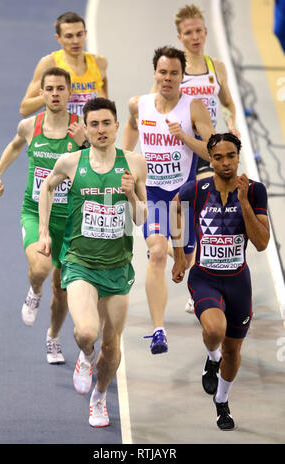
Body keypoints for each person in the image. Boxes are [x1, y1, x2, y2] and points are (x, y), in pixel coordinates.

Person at [38, 97, 147, 427]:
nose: (101, 129)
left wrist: (131, 194)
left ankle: (99, 398)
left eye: (106, 123)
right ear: (85, 128)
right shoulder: (71, 162)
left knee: (111, 347)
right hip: (80, 263)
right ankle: (85, 357)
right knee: (87, 333)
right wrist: (43, 231)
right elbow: (46, 186)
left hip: (117, 269)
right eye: (94, 124)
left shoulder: (134, 164)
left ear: (117, 126)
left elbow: (142, 218)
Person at [171, 133, 270, 430]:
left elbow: (262, 242)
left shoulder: (254, 191)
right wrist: (180, 255)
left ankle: (221, 401)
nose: (225, 163)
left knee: (233, 351)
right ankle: (211, 357)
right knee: (215, 330)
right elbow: (175, 208)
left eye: (231, 156)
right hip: (205, 278)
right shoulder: (198, 189)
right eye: (218, 157)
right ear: (210, 159)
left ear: (238, 157)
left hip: (239, 281)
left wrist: (243, 203)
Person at [123, 45, 215, 355]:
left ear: (181, 76)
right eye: (163, 72)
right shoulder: (140, 104)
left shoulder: (194, 108)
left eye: (174, 73)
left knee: (183, 261)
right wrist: (123, 162)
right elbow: (131, 132)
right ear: (155, 73)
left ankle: (185, 260)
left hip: (184, 197)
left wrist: (185, 137)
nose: (168, 78)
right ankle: (158, 330)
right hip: (155, 195)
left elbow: (213, 154)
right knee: (158, 253)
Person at [0, 67, 86, 364]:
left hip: (70, 222)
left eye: (61, 88)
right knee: (41, 270)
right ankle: (33, 291)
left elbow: (97, 165)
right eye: (50, 89)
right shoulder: (30, 126)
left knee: (62, 289)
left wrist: (84, 142)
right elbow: (15, 146)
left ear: (70, 93)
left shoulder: (81, 128)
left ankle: (53, 338)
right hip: (35, 212)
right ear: (41, 93)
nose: (55, 94)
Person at [175, 4, 241, 313]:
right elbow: (158, 104)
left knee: (212, 213)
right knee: (192, 216)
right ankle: (186, 260)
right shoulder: (177, 69)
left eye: (199, 30)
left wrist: (233, 123)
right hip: (190, 150)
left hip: (215, 149)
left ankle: (200, 284)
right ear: (180, 36)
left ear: (205, 31)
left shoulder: (217, 67)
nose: (195, 36)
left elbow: (228, 102)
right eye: (188, 32)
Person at [20, 11, 108, 118]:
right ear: (58, 38)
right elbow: (24, 109)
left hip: (90, 131)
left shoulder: (100, 63)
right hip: (62, 131)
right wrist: (52, 95)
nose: (75, 41)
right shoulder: (49, 64)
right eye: (69, 36)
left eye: (79, 34)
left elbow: (105, 98)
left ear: (85, 34)